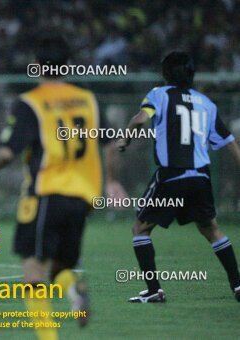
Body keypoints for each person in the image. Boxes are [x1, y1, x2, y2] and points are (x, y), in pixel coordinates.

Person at [0, 36, 126, 337]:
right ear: (67, 65)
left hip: (46, 193)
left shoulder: (31, 102)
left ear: (35, 66)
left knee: (33, 273)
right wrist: (112, 181)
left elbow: (8, 152)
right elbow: (113, 143)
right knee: (60, 267)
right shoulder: (88, 99)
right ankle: (74, 291)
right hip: (82, 198)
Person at [117, 51, 240, 303]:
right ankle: (238, 285)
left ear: (165, 74)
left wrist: (125, 137)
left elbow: (140, 118)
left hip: (172, 175)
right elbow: (229, 142)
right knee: (211, 229)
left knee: (140, 228)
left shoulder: (159, 95)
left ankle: (154, 291)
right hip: (201, 178)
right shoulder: (207, 103)